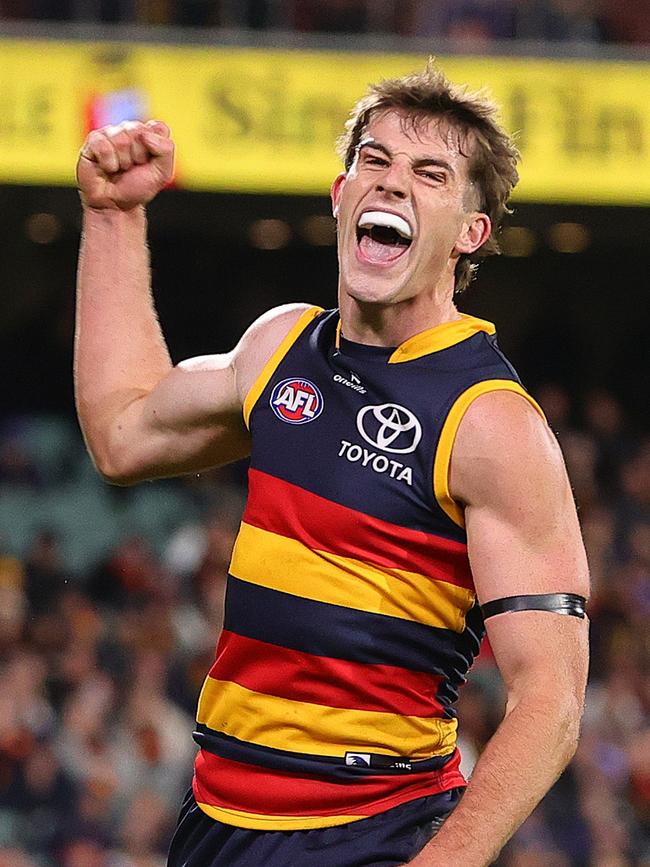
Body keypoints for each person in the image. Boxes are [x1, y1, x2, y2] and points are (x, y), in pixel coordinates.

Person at [74, 63, 590, 867]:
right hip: (216, 817)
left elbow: (551, 700)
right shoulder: (282, 344)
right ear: (341, 195)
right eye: (376, 162)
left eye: (431, 174)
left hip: (370, 830)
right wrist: (114, 216)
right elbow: (123, 431)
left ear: (469, 231)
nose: (394, 185)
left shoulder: (491, 421)